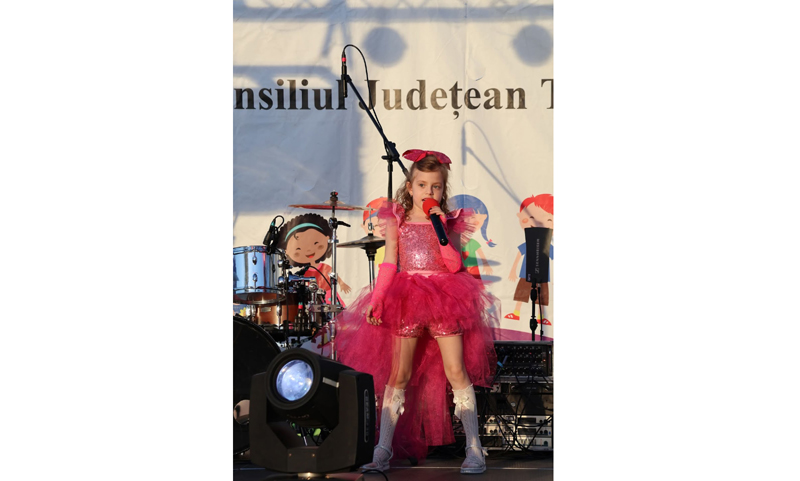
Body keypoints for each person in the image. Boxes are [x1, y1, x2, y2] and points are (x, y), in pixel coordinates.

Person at [337, 150, 498, 474]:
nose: (429, 191)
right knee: (400, 373)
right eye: (422, 185)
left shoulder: (448, 222)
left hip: (444, 297)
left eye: (436, 186)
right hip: (408, 297)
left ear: (443, 189)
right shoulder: (397, 220)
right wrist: (379, 299)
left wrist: (441, 229)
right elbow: (389, 263)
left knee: (456, 370)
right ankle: (383, 448)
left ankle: (474, 448)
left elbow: (454, 265)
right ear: (410, 187)